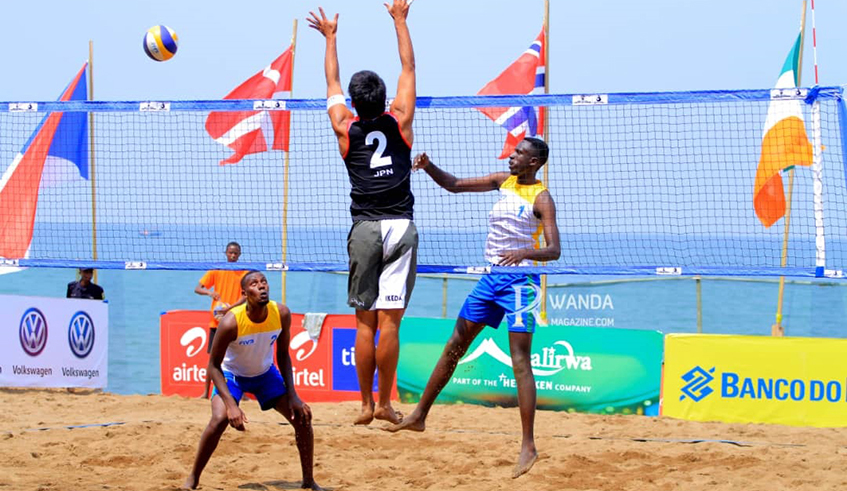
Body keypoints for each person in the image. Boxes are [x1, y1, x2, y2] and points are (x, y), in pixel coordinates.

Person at [386, 137, 561, 479]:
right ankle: (419, 415)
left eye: (519, 154)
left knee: (520, 361)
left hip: (521, 283)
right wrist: (428, 165)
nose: (512, 156)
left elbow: (554, 249)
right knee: (455, 345)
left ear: (534, 163)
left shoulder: (542, 198)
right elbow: (453, 185)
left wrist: (526, 254)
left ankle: (528, 446)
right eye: (513, 152)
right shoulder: (502, 181)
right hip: (491, 278)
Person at [308, 0, 418, 425]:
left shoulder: (344, 128)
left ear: (354, 103)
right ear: (385, 99)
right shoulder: (402, 120)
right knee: (390, 322)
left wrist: (331, 37)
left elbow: (332, 81)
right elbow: (409, 67)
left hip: (365, 228)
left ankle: (366, 405)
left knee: (365, 321)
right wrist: (400, 20)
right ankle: (387, 403)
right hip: (400, 227)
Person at [182, 271, 322, 490]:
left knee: (303, 418)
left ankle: (308, 481)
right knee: (219, 419)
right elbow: (213, 366)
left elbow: (284, 355)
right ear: (245, 293)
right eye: (255, 284)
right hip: (233, 376)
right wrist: (231, 405)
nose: (262, 286)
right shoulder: (231, 322)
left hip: (265, 374)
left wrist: (294, 395)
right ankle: (193, 478)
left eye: (264, 282)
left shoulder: (281, 313)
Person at [195, 241, 247, 398]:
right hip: (217, 320)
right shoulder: (216, 270)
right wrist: (210, 293)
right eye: (230, 252)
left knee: (240, 358)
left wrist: (230, 308)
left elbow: (245, 296)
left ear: (239, 255)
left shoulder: (244, 273)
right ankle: (205, 393)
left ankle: (242, 393)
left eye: (236, 253)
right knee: (213, 358)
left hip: (235, 319)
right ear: (225, 253)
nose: (233, 255)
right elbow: (198, 288)